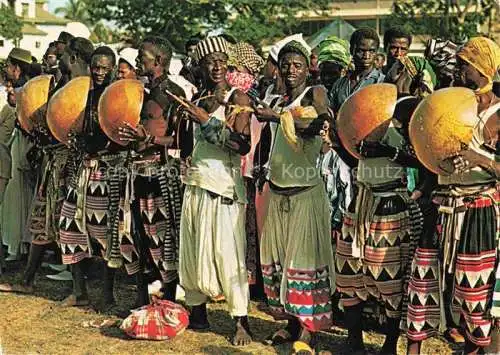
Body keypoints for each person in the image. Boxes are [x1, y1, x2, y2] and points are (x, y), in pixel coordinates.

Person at [406, 36, 499, 355]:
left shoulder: (498, 113)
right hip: (441, 204)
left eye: (465, 65)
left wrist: (479, 158)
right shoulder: (447, 104)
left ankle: (476, 350)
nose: (458, 70)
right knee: (422, 281)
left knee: (473, 293)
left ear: (483, 68)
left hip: (478, 210)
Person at [255, 40, 335, 354]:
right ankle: (290, 325)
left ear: (307, 68)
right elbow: (271, 141)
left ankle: (308, 332)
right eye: (285, 64)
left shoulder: (314, 93)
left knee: (305, 263)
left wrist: (277, 117)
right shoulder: (275, 96)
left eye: (297, 65)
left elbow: (320, 122)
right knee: (280, 264)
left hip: (305, 194)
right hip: (278, 190)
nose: (290, 70)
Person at [178, 36, 253, 346]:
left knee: (228, 254)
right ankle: (197, 312)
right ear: (201, 66)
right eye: (211, 61)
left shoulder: (239, 99)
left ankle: (241, 322)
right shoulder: (198, 98)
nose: (217, 65)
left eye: (222, 60)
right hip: (196, 183)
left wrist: (207, 121)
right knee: (193, 252)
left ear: (229, 65)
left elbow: (242, 143)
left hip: (223, 188)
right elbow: (186, 144)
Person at [120, 36, 186, 306]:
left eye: (142, 57)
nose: (137, 61)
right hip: (134, 172)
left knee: (163, 239)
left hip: (160, 172)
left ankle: (168, 300)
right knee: (136, 236)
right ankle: (140, 299)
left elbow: (182, 140)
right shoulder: (138, 92)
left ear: (158, 61)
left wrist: (151, 140)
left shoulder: (173, 94)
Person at [1, 48, 38, 261]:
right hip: (19, 145)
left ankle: (17, 245)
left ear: (17, 68)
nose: (6, 70)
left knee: (18, 193)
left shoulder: (24, 91)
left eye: (8, 66)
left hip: (22, 145)